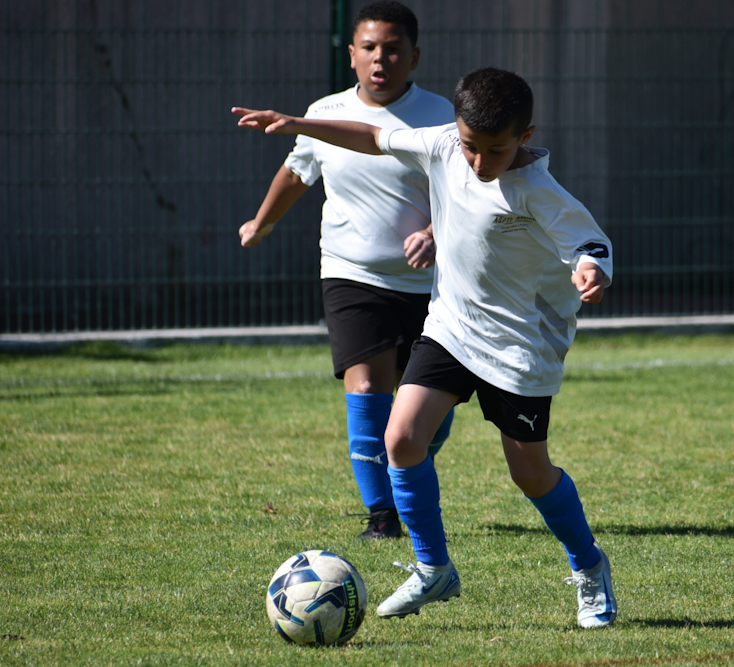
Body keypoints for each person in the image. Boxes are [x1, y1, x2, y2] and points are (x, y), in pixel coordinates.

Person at [233, 67, 617, 629]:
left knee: (530, 474)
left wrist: (591, 269)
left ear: (525, 137)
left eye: (495, 150)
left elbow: (589, 241)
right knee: (402, 439)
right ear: (455, 128)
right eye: (470, 145)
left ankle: (589, 565)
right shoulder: (442, 145)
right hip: (452, 328)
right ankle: (433, 567)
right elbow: (372, 136)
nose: (478, 161)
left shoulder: (538, 191)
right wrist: (300, 124)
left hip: (521, 346)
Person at [235, 1, 455, 540]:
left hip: (432, 285)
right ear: (352, 54)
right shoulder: (323, 113)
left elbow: (466, 191)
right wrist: (262, 222)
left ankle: (406, 466)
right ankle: (383, 515)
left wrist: (434, 232)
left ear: (415, 57)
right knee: (367, 388)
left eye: (394, 49)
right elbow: (296, 173)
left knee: (429, 411)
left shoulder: (442, 116)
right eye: (370, 48)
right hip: (351, 273)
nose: (381, 59)